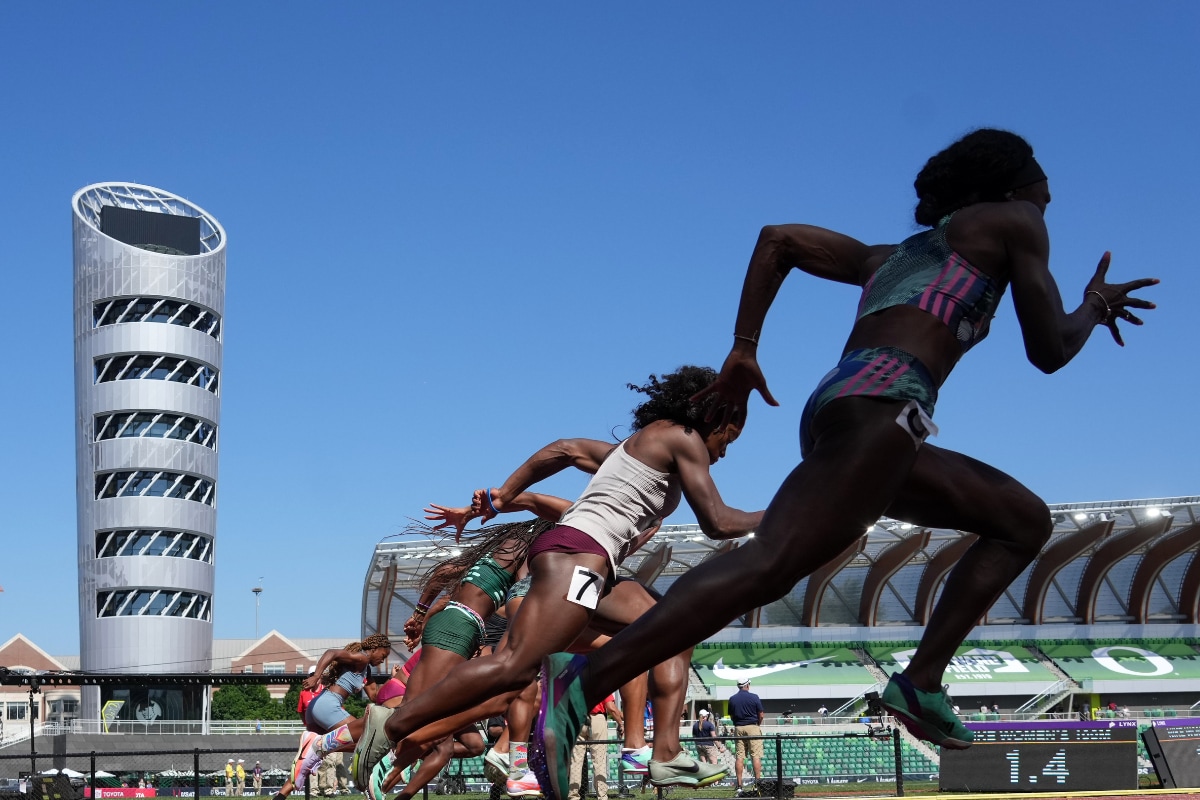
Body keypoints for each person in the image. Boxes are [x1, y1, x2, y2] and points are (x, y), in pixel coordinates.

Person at [531, 127, 1158, 797]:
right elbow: (1049, 349)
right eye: (1041, 179)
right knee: (767, 564)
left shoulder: (891, 257)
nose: (1049, 193)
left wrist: (744, 347)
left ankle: (920, 683)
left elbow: (780, 239)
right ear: (1010, 181)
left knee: (1021, 520)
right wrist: (1092, 307)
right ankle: (584, 682)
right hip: (883, 406)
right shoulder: (1015, 220)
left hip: (852, 407)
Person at [365, 367, 760, 798]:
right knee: (512, 666)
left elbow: (564, 449)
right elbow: (719, 522)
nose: (723, 452)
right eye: (728, 438)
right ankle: (396, 723)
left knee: (677, 626)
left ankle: (661, 752)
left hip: (587, 561)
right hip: (578, 557)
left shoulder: (639, 447)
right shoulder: (684, 438)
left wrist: (499, 499)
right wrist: (798, 515)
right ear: (714, 417)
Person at [567, 695, 622, 800]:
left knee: (575, 762)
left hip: (577, 719)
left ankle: (573, 796)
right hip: (597, 719)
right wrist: (621, 723)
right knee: (599, 761)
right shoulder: (602, 681)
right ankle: (602, 796)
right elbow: (611, 707)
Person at [729, 679, 764, 790]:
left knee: (740, 756)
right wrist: (757, 724)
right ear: (747, 685)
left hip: (739, 727)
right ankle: (757, 785)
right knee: (755, 756)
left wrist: (737, 724)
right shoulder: (754, 697)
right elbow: (761, 714)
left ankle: (739, 785)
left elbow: (732, 716)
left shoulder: (732, 699)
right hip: (753, 726)